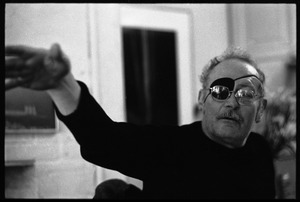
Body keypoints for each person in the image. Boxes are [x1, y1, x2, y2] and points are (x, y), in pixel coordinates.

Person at [5, 43, 276, 199]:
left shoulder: (261, 150)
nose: (231, 102)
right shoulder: (170, 148)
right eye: (219, 91)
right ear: (202, 100)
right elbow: (102, 139)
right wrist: (62, 85)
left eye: (245, 94)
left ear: (260, 109)